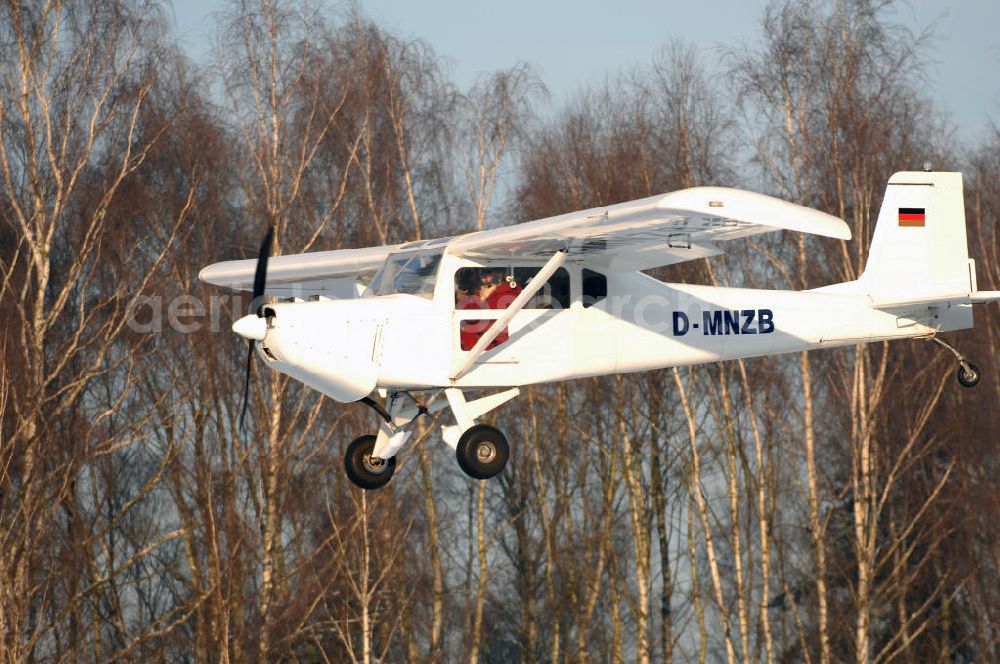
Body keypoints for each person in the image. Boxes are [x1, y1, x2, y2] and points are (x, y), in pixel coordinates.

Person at [458, 268, 522, 351]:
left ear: (499, 274)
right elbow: (465, 312)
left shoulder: (509, 295)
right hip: (476, 347)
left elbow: (472, 319)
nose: (482, 277)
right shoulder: (483, 290)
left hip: (493, 348)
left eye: (486, 273)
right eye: (481, 273)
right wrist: (482, 297)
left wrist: (482, 299)